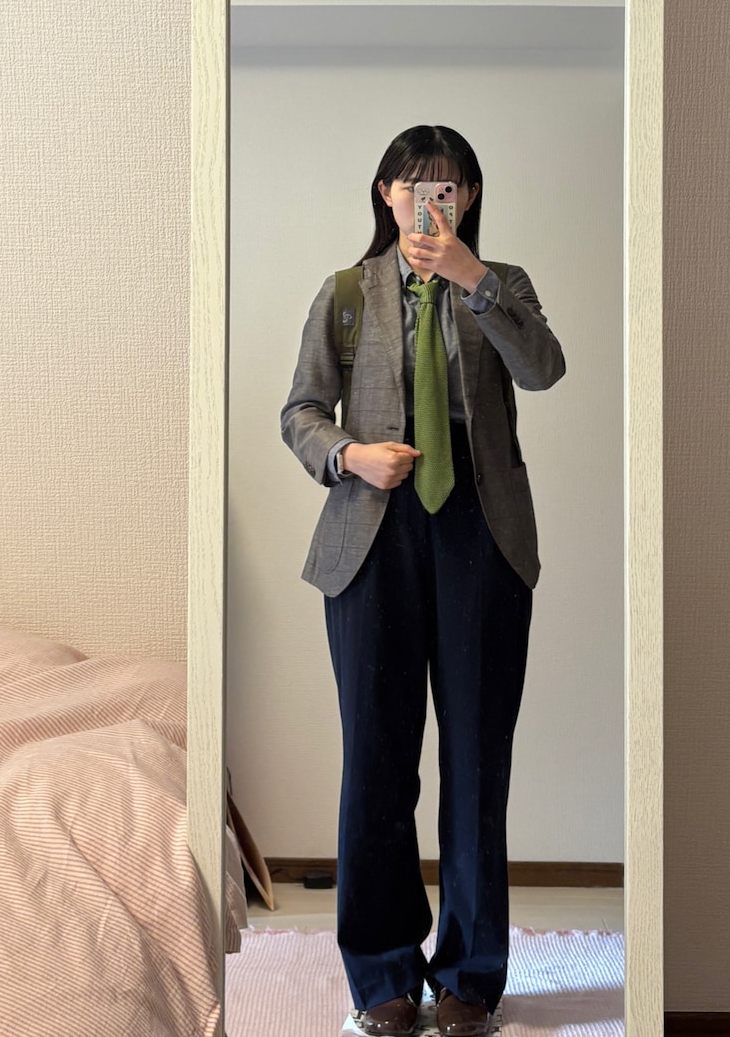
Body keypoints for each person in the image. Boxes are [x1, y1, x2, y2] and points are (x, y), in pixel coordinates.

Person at [281, 125, 565, 1037]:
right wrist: (350, 455)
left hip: (483, 531)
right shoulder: (344, 294)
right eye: (413, 185)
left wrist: (472, 277)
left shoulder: (503, 284)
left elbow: (544, 369)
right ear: (385, 193)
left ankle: (471, 979)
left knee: (477, 761)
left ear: (469, 197)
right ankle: (383, 978)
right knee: (376, 761)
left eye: (447, 187)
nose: (428, 200)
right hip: (372, 535)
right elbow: (300, 411)